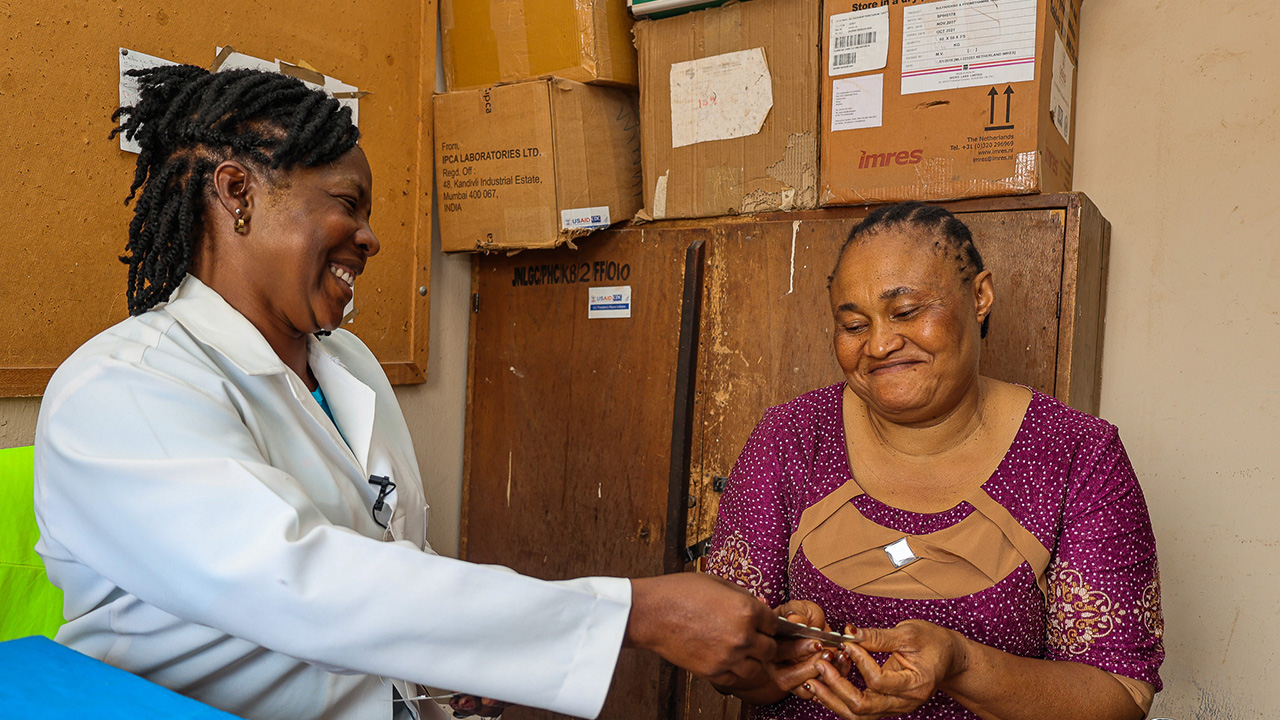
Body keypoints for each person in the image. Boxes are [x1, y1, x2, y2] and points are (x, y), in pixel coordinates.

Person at [32, 65, 780, 720]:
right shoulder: (125, 386)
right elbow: (305, 584)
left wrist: (455, 660)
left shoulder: (348, 367)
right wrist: (634, 612)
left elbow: (396, 564)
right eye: (346, 203)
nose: (370, 236)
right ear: (238, 192)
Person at [703, 203, 1164, 720]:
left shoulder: (1076, 454)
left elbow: (1119, 699)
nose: (879, 344)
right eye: (854, 325)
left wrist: (962, 664)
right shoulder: (791, 438)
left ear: (980, 296)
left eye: (905, 312)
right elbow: (724, 664)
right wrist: (778, 651)